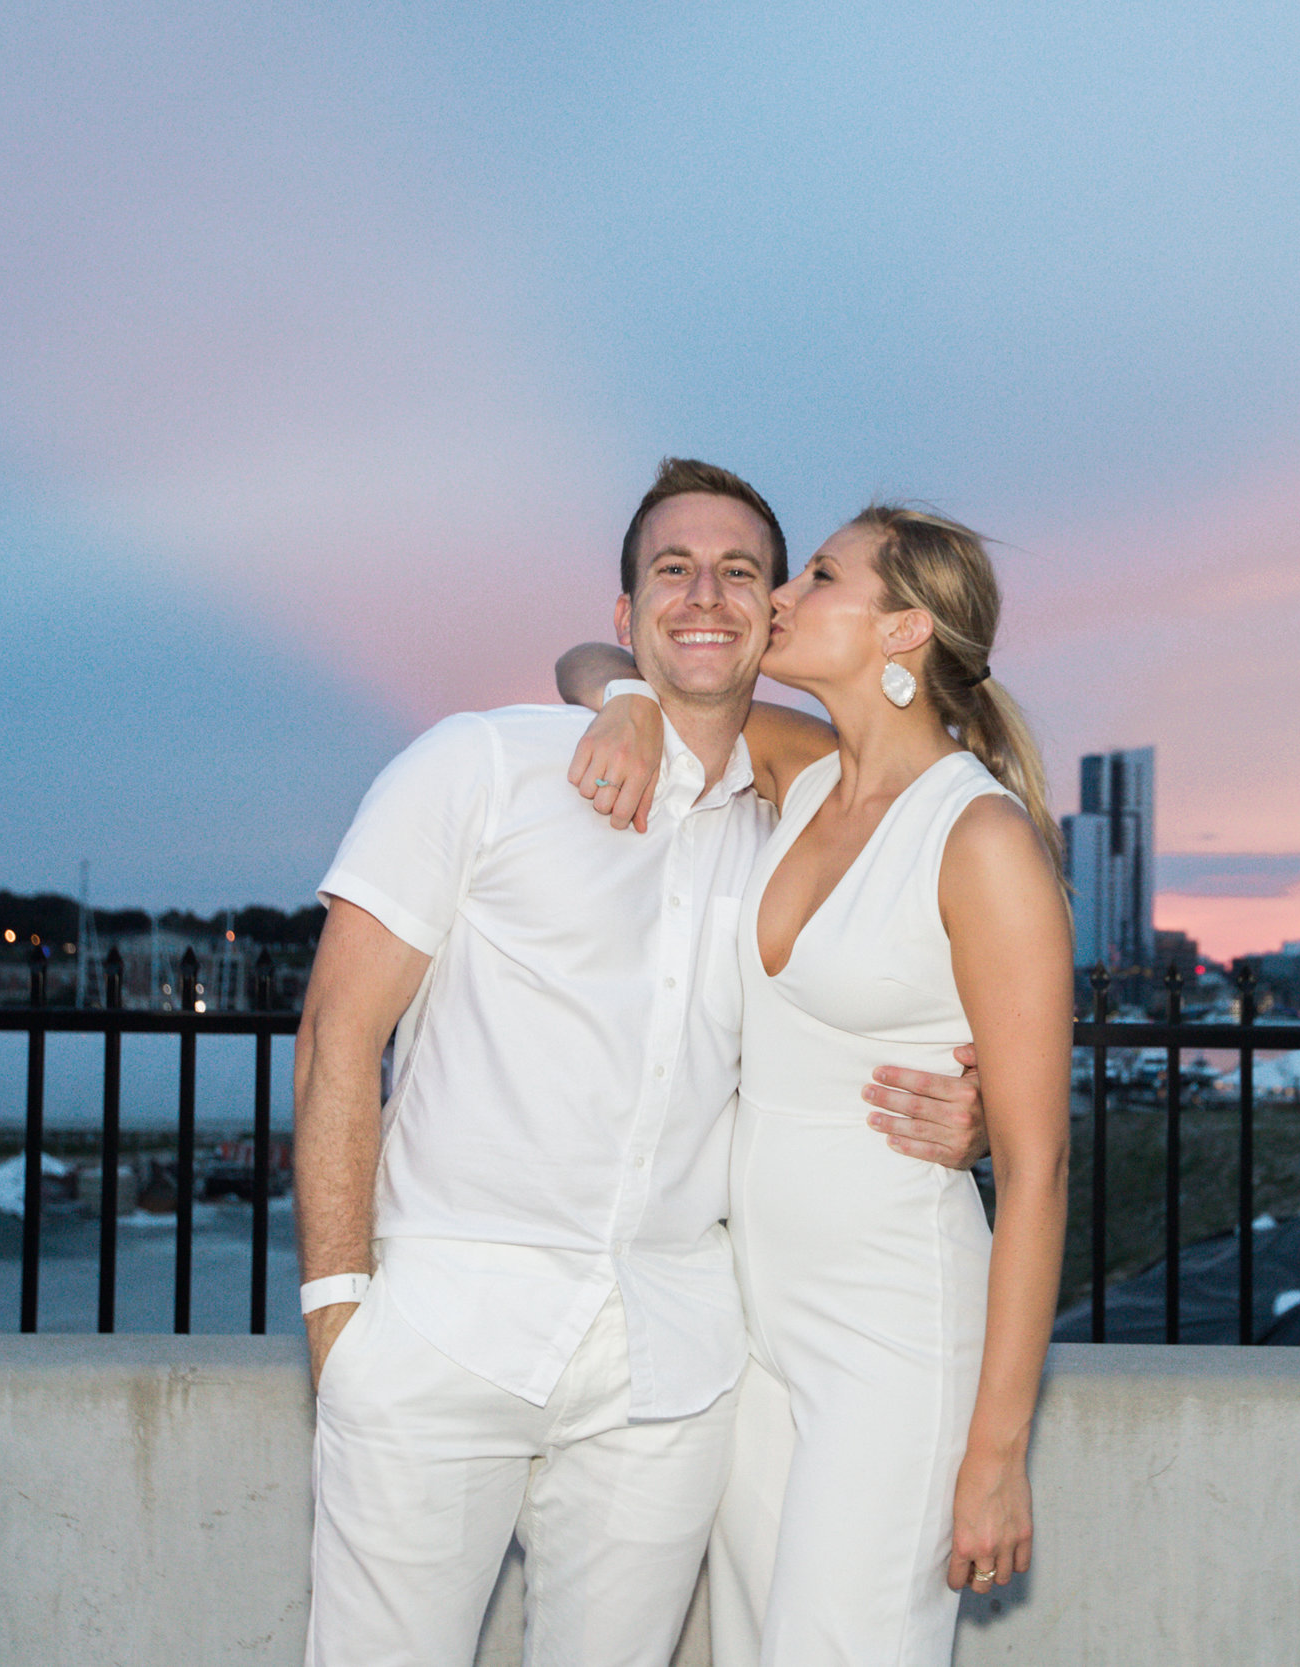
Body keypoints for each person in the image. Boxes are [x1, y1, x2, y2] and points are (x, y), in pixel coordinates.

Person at [292, 460, 990, 1667]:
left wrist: (967, 1101)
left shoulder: (799, 814)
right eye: (671, 570)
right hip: (444, 1333)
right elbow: (336, 1035)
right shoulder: (485, 765)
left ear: (776, 608)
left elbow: (894, 966)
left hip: (668, 1372)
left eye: (737, 571)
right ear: (626, 616)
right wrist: (339, 1318)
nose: (703, 593)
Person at [557, 503, 1074, 1667]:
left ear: (904, 630)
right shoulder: (798, 776)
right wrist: (630, 702)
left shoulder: (977, 836)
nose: (780, 597)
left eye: (822, 577)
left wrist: (995, 1449)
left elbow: (1038, 1167)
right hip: (756, 1322)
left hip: (890, 1330)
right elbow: (589, 657)